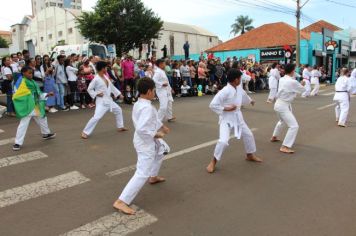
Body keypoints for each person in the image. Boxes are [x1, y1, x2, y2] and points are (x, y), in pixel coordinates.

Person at [113, 77, 170, 215]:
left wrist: (162, 126)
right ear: (149, 91)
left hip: (143, 140)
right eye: (154, 90)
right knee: (142, 172)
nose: (155, 93)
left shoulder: (141, 103)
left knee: (163, 150)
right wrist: (156, 134)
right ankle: (121, 201)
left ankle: (153, 176)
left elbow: (153, 119)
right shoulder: (146, 108)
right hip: (145, 141)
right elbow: (142, 129)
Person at [206, 69, 262, 174]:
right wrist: (226, 108)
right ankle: (213, 161)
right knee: (223, 141)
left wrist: (250, 101)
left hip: (238, 117)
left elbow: (244, 95)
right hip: (227, 118)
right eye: (240, 78)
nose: (241, 79)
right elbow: (213, 104)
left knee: (249, 135)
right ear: (236, 79)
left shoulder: (239, 88)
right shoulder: (225, 90)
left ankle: (250, 155)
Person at [12, 66, 56, 151]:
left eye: (32, 73)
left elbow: (37, 93)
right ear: (23, 73)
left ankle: (46, 134)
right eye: (29, 73)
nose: (31, 74)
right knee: (23, 124)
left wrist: (46, 94)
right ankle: (17, 143)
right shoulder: (21, 81)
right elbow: (16, 93)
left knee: (42, 118)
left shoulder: (32, 81)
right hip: (27, 106)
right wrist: (27, 96)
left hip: (35, 105)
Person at [81, 61, 128, 139]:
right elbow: (89, 89)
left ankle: (120, 126)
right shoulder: (96, 79)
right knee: (96, 117)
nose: (107, 68)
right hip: (101, 101)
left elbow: (111, 87)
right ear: (102, 68)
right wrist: (97, 94)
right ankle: (85, 132)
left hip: (109, 100)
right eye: (106, 67)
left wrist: (119, 94)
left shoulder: (105, 76)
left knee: (118, 110)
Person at [271, 64, 306, 154]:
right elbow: (302, 90)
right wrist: (302, 84)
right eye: (294, 70)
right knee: (294, 126)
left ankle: (274, 136)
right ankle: (285, 146)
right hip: (283, 105)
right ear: (292, 71)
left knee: (282, 121)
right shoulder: (292, 82)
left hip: (279, 104)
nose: (295, 72)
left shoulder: (282, 79)